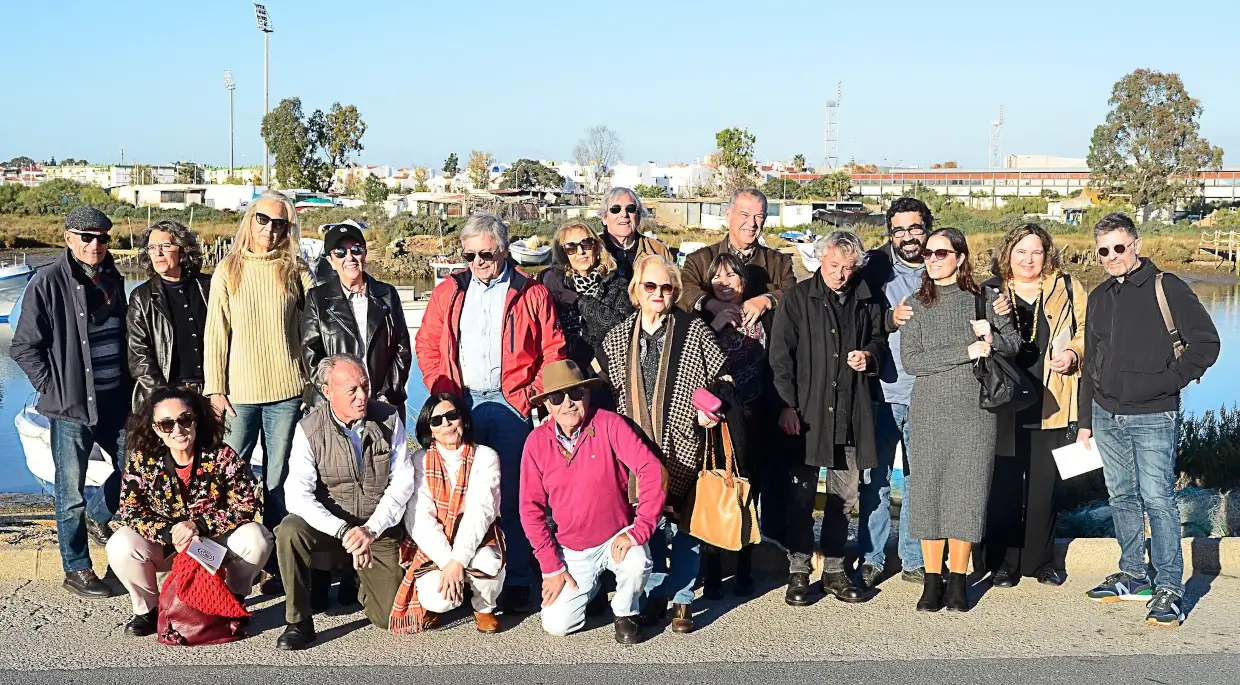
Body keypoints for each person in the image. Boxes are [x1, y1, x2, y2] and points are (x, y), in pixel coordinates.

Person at [415, 212, 566, 614]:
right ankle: (461, 573)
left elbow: (553, 351)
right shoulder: (449, 291)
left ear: (503, 249)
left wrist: (531, 395)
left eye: (486, 253)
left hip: (510, 404)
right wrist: (442, 393)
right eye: (470, 255)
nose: (478, 262)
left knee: (516, 496)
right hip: (460, 401)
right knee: (460, 493)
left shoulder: (530, 293)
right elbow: (427, 345)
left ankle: (516, 577)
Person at [1077, 212, 1219, 628]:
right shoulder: (1100, 295)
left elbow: (1206, 345)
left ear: (1135, 244)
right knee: (1121, 496)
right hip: (1106, 414)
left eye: (1119, 247)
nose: (1111, 256)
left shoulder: (1167, 286)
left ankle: (1170, 588)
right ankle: (1134, 575)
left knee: (1158, 499)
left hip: (1154, 414)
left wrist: (1166, 383)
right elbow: (1092, 361)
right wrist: (1087, 417)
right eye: (1103, 250)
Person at [598, 254, 731, 634]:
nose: (658, 293)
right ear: (636, 291)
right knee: (649, 522)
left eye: (666, 286)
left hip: (686, 442)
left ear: (675, 291)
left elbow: (723, 378)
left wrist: (712, 409)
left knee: (687, 526)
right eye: (650, 286)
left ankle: (683, 599)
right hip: (634, 450)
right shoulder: (617, 336)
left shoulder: (694, 330)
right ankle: (656, 592)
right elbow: (604, 392)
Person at [899, 227, 1020, 613]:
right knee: (928, 493)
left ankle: (957, 581)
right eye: (928, 254)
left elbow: (1013, 345)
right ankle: (931, 582)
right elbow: (913, 361)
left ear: (960, 258)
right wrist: (964, 349)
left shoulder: (986, 298)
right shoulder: (915, 304)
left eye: (941, 253)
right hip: (929, 410)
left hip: (975, 412)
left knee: (966, 494)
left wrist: (993, 339)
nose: (932, 259)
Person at [12, 205, 130, 598]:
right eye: (87, 237)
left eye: (102, 237)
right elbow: (25, 347)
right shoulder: (47, 283)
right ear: (68, 238)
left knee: (138, 471)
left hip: (117, 400)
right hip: (72, 405)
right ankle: (76, 568)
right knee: (70, 491)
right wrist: (53, 389)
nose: (95, 244)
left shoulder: (112, 278)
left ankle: (103, 520)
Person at [769, 231, 888, 606]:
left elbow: (880, 341)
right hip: (805, 415)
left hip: (851, 413)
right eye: (834, 265)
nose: (840, 274)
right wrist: (786, 405)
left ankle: (835, 570)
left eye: (848, 268)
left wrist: (869, 357)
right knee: (800, 497)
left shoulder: (867, 298)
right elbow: (780, 357)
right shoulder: (798, 297)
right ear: (820, 260)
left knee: (844, 497)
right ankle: (799, 571)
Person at [204, 190, 314, 592]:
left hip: (287, 390)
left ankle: (274, 564)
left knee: (278, 478)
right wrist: (214, 388)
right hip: (240, 392)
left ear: (288, 228)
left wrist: (311, 384)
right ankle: (223, 558)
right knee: (230, 472)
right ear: (250, 220)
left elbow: (309, 331)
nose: (270, 229)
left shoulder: (296, 270)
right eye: (263, 220)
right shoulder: (228, 270)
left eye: (279, 223)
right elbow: (216, 334)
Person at [519, 360, 666, 644]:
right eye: (557, 397)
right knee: (557, 625)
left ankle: (625, 612)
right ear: (547, 405)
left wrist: (640, 529)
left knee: (638, 563)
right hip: (571, 547)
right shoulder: (536, 443)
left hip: (616, 537)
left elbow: (651, 470)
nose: (568, 403)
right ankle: (592, 591)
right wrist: (551, 567)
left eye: (575, 393)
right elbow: (529, 509)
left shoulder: (610, 424)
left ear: (586, 394)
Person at [274, 354, 415, 650]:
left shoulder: (389, 418)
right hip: (333, 527)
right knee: (289, 529)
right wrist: (342, 531)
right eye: (352, 390)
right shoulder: (309, 428)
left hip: (375, 528)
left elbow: (402, 483)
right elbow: (297, 495)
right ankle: (298, 620)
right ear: (328, 391)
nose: (362, 396)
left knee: (389, 617)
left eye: (365, 386)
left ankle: (357, 578)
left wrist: (371, 530)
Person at [107, 387, 272, 636]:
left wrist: (199, 525)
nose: (178, 429)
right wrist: (167, 532)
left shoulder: (222, 454)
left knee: (258, 537)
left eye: (185, 419)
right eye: (166, 424)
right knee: (119, 544)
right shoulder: (142, 459)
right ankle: (148, 610)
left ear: (196, 420)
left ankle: (234, 597)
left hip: (212, 545)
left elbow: (245, 504)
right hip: (165, 545)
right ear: (154, 429)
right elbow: (131, 510)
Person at [977, 224, 1087, 588]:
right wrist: (996, 317)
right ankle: (1004, 561)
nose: (1028, 259)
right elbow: (972, 334)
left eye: (1036, 252)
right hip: (1003, 402)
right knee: (1003, 488)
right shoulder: (990, 290)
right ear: (1008, 253)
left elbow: (1088, 328)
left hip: (1051, 402)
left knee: (1044, 488)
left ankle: (1042, 562)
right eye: (1021, 251)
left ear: (1047, 254)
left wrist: (1074, 352)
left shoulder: (1067, 287)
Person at [854, 197, 932, 588]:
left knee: (919, 480)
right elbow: (857, 317)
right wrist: (889, 319)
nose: (907, 237)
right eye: (899, 230)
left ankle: (914, 558)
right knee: (876, 480)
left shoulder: (942, 269)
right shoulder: (875, 272)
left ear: (927, 228)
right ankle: (870, 557)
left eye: (915, 228)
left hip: (928, 395)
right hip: (882, 392)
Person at [391, 393, 505, 635]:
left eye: (452, 416)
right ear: (429, 429)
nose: (446, 424)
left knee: (489, 562)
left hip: (477, 539)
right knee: (439, 600)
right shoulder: (419, 460)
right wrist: (447, 562)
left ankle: (483, 606)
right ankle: (443, 600)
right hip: (436, 545)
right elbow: (419, 517)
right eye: (437, 420)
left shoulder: (485, 457)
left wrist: (458, 561)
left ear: (462, 420)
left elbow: (480, 513)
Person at [699, 251, 775, 598]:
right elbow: (694, 365)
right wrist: (714, 326)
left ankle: (744, 566)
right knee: (716, 489)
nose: (726, 283)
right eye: (718, 277)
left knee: (750, 492)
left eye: (733, 276)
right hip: (719, 419)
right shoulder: (699, 321)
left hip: (757, 414)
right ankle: (712, 570)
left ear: (744, 282)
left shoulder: (762, 318)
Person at [302, 220, 411, 411]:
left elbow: (402, 350)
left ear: (365, 253)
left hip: (381, 402)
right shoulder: (317, 299)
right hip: (335, 406)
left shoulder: (387, 295)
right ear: (331, 260)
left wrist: (387, 394)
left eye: (356, 249)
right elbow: (311, 355)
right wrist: (335, 395)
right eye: (341, 252)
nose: (350, 258)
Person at [678, 187, 795, 331]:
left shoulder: (779, 263)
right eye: (744, 215)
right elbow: (683, 289)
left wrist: (766, 300)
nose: (752, 224)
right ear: (728, 215)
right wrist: (712, 304)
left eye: (758, 216)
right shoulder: (699, 260)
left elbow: (793, 292)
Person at [127, 220, 212, 411]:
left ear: (183, 249)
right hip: (167, 392)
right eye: (152, 247)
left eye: (165, 246)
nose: (157, 253)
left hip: (211, 391)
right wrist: (164, 397)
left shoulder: (209, 286)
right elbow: (139, 355)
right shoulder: (142, 297)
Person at [538, 220, 633, 375]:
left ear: (595, 246)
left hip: (607, 376)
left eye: (586, 243)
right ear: (564, 254)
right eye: (571, 247)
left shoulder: (618, 284)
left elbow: (623, 328)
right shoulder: (554, 286)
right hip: (566, 377)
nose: (580, 251)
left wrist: (580, 301)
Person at [597, 187, 675, 281]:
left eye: (630, 208)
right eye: (615, 209)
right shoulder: (592, 250)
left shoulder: (657, 250)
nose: (624, 214)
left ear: (638, 217)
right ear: (604, 217)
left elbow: (673, 286)